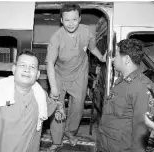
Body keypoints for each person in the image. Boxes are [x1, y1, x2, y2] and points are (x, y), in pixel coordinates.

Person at [0, 50, 65, 152]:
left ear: (38, 74)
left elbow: (53, 104)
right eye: (22, 65)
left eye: (32, 67)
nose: (27, 70)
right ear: (14, 69)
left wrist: (59, 108)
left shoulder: (40, 95)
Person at [45, 3, 107, 151]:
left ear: (79, 18)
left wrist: (101, 57)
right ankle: (56, 140)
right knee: (56, 108)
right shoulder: (56, 38)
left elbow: (92, 48)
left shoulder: (87, 31)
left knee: (77, 109)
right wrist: (53, 87)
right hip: (59, 75)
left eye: (74, 19)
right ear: (61, 20)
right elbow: (49, 63)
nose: (71, 23)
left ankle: (70, 132)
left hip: (79, 73)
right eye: (67, 20)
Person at [97, 39, 154, 152]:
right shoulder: (121, 82)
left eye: (115, 55)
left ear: (126, 59)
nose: (113, 59)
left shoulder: (142, 87)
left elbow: (141, 131)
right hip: (106, 145)